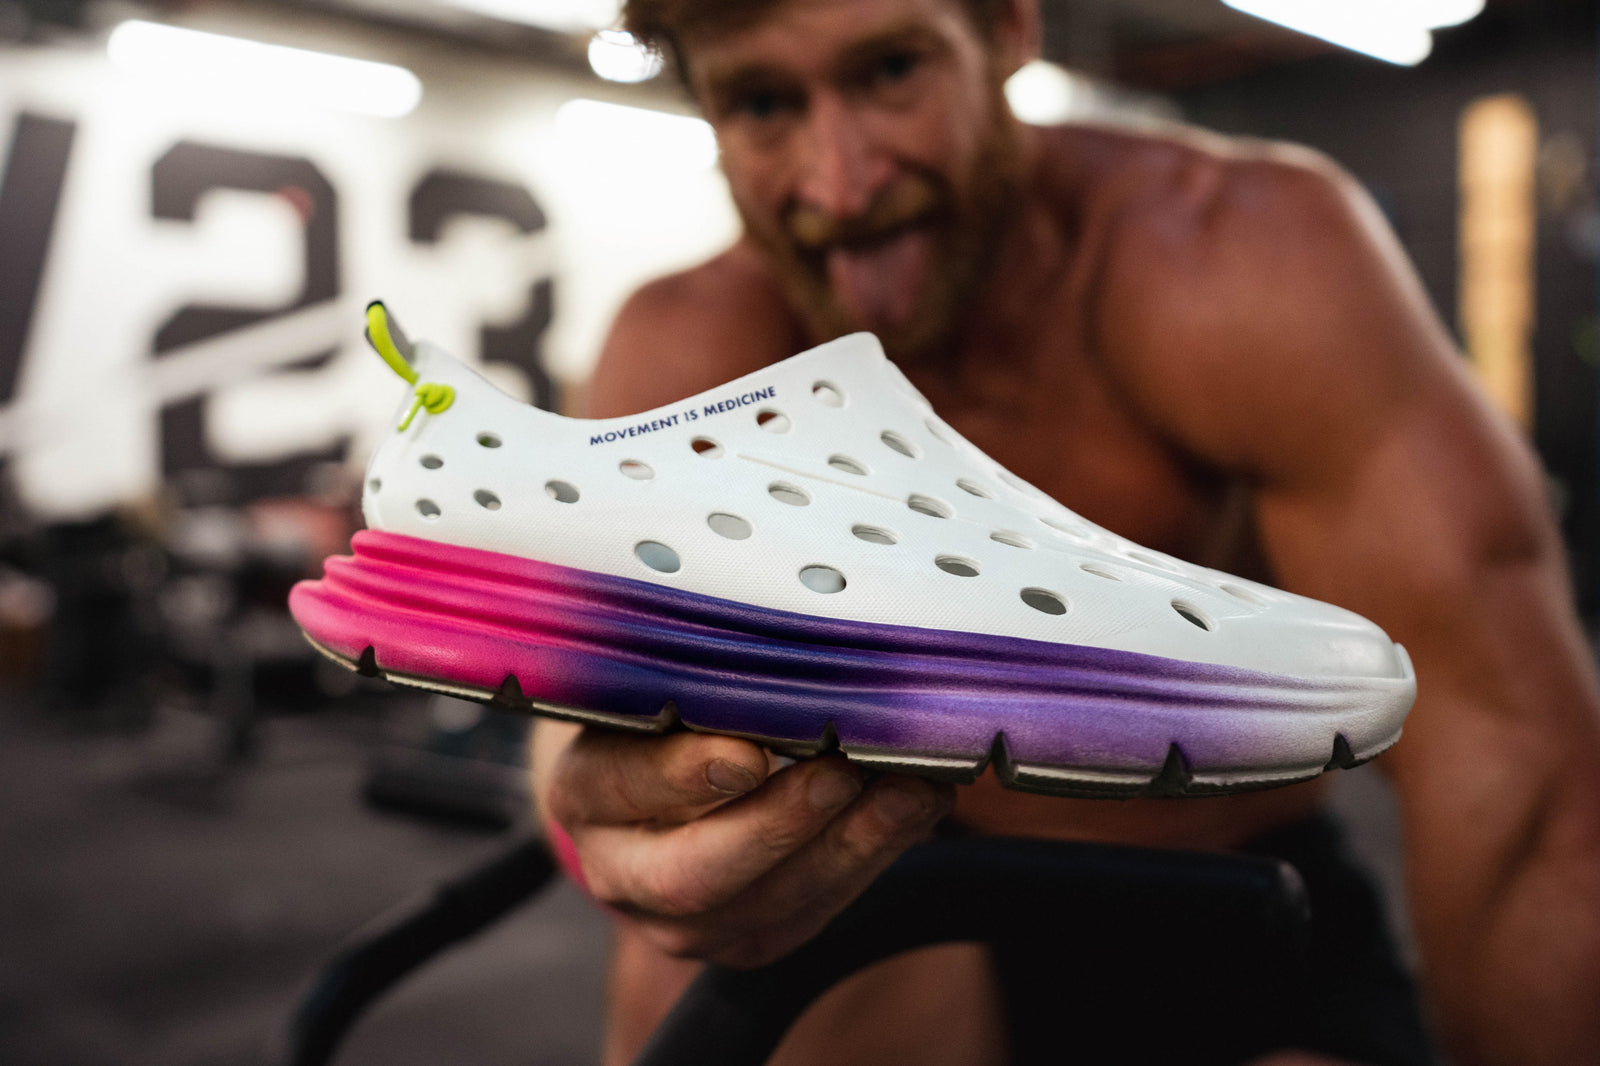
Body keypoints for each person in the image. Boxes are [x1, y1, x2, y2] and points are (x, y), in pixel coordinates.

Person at [530, 0, 1600, 1061]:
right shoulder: (692, 355)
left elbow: (1510, 759)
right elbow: (570, 738)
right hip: (899, 900)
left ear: (1006, 33)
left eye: (891, 70)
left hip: (1216, 897)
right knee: (699, 964)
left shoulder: (1232, 263)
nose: (841, 182)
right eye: (764, 102)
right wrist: (616, 825)